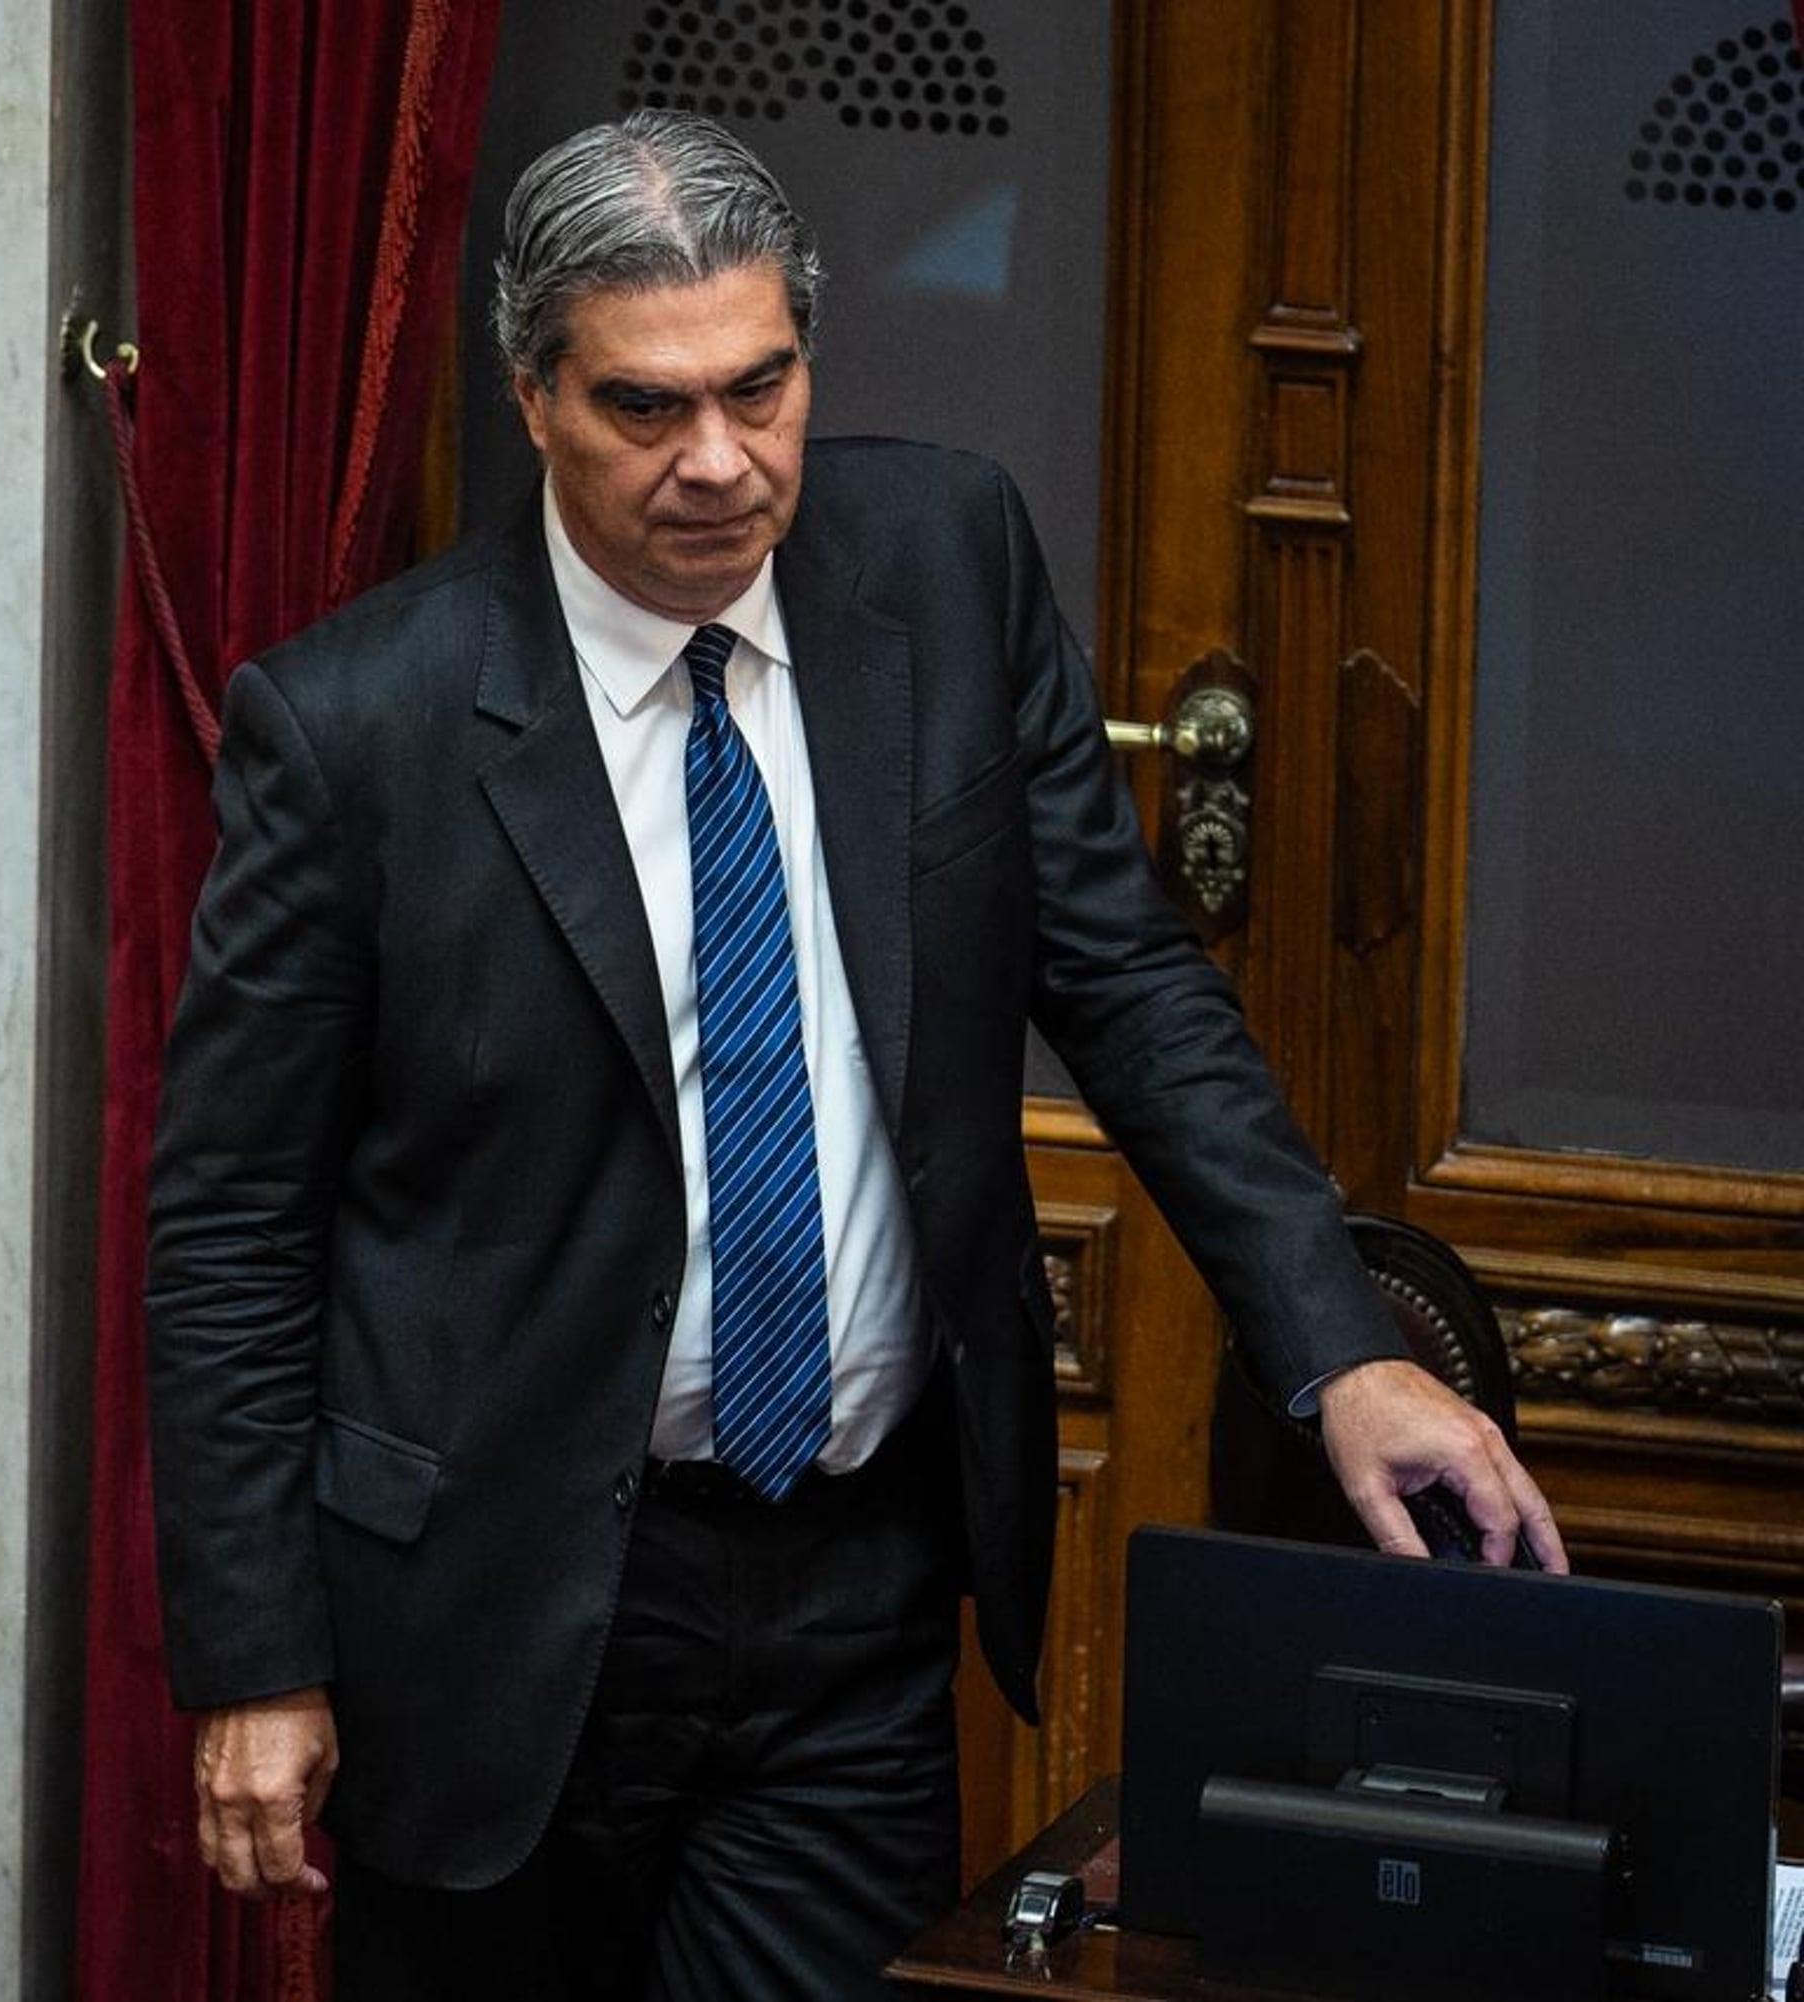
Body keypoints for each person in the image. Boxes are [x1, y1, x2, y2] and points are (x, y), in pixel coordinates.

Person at [144, 109, 1564, 1999]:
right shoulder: (355, 728)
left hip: (853, 1591)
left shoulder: (947, 560)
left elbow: (1134, 988)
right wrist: (257, 1655)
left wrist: (1342, 1348)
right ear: (533, 397)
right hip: (495, 1601)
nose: (720, 462)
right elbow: (233, 1227)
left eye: (761, 386)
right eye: (645, 406)